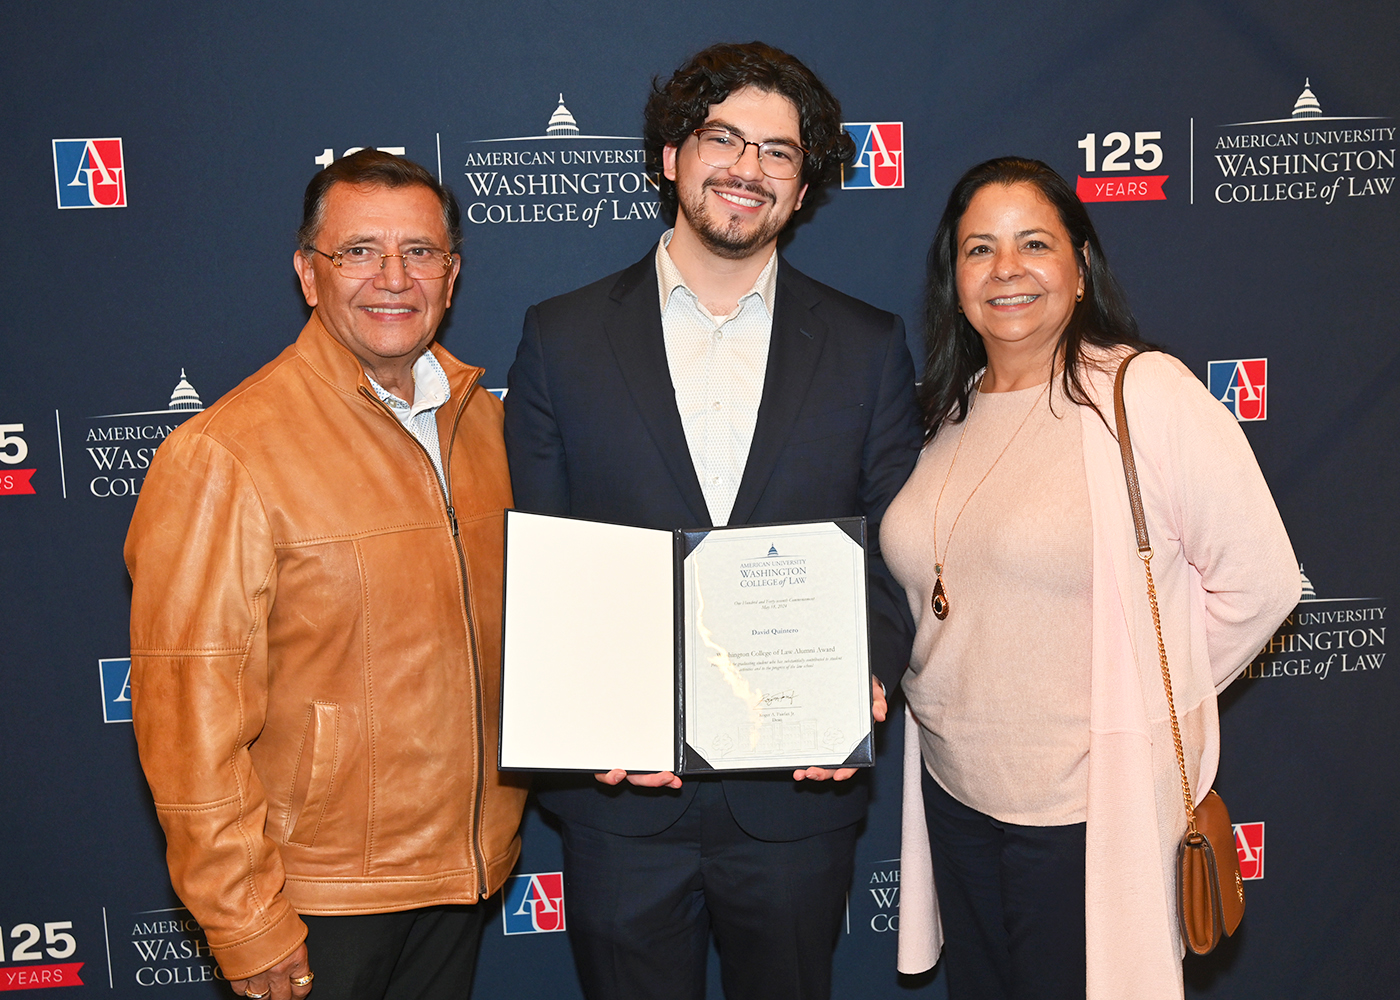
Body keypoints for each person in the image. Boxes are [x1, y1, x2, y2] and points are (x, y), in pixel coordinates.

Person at [504, 41, 922, 1000]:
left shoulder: (865, 347)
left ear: (805, 184)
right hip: (621, 802)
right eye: (721, 138)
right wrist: (583, 721)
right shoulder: (560, 337)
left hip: (795, 794)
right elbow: (544, 553)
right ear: (670, 156)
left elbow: (894, 550)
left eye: (779, 152)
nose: (748, 168)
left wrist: (865, 674)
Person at [883, 156, 1299, 999]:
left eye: (1033, 243)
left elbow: (1262, 586)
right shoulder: (941, 412)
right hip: (954, 793)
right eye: (979, 249)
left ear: (1079, 266)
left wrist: (1129, 709)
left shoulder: (1142, 395)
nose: (1007, 270)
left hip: (1081, 814)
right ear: (953, 279)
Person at [124, 150, 526, 1000]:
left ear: (451, 277)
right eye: (359, 252)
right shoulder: (223, 455)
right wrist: (246, 920)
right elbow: (189, 720)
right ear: (309, 274)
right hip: (317, 902)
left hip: (464, 879)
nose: (393, 278)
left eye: (420, 252)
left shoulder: (487, 427)